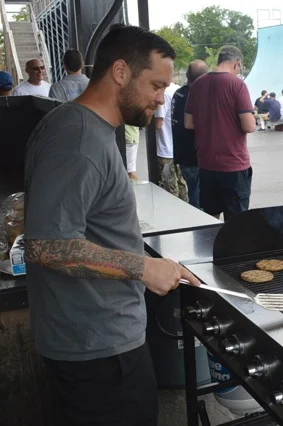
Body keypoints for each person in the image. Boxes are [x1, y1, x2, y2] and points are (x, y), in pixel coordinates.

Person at [23, 24, 200, 426]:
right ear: (120, 72)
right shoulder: (79, 139)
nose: (161, 99)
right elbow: (46, 245)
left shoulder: (82, 127)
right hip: (98, 354)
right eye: (156, 85)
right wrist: (144, 267)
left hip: (96, 342)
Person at [184, 45, 256, 221]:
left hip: (207, 164)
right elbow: (249, 126)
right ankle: (234, 249)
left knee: (211, 217)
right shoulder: (237, 85)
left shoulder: (197, 84)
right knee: (236, 223)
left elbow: (188, 123)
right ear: (236, 64)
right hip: (233, 165)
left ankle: (211, 248)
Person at [172, 59, 209, 209]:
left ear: (187, 75)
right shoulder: (196, 95)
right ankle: (199, 228)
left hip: (181, 153)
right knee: (198, 196)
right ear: (204, 77)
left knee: (193, 191)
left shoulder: (178, 93)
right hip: (194, 155)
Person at [155, 80, 188, 202]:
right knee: (181, 184)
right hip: (176, 147)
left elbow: (158, 123)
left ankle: (172, 216)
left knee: (169, 188)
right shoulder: (178, 89)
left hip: (164, 148)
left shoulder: (163, 93)